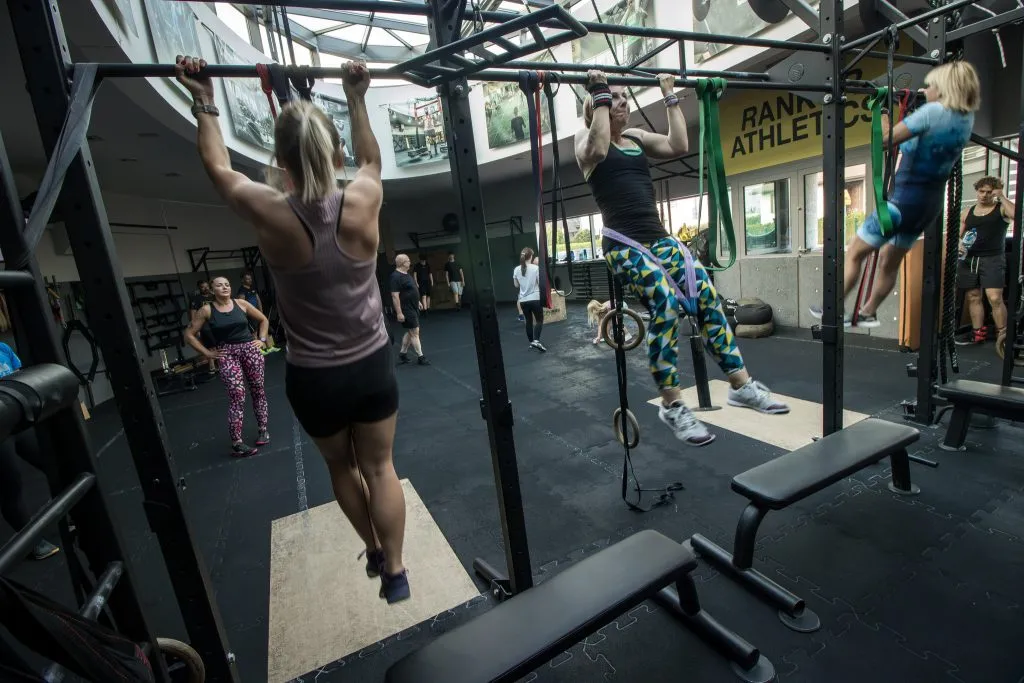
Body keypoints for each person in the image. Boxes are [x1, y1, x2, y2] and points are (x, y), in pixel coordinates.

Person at [175, 56, 410, 603]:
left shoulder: (269, 210)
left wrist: (205, 99)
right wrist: (356, 95)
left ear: (280, 160)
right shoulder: (364, 198)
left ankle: (373, 551)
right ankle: (395, 571)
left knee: (342, 467)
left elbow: (219, 169)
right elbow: (372, 159)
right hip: (371, 365)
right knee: (380, 466)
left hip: (313, 378)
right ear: (338, 154)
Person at [576, 70, 789, 446]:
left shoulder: (637, 138)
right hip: (623, 244)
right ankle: (672, 404)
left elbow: (678, 144)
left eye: (625, 97)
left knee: (707, 296)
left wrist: (669, 93)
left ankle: (740, 384)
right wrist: (599, 92)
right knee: (665, 301)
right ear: (596, 107)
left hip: (659, 240)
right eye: (615, 98)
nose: (623, 102)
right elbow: (594, 150)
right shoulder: (588, 139)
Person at [810, 61, 981, 327]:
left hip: (902, 203)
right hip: (927, 208)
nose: (927, 89)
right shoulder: (965, 119)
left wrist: (884, 109)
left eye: (932, 85)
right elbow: (924, 136)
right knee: (890, 263)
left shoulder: (934, 112)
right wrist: (913, 104)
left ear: (946, 88)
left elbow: (885, 139)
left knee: (855, 252)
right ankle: (869, 312)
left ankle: (830, 309)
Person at [184, 276, 271, 457]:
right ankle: (237, 442)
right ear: (212, 290)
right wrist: (207, 354)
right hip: (227, 354)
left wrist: (262, 340)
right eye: (219, 285)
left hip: (250, 350)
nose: (224, 287)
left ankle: (263, 429)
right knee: (237, 395)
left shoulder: (241, 304)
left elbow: (264, 320)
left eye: (227, 284)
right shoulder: (207, 310)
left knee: (258, 390)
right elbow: (189, 334)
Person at [0, 342, 60, 562]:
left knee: (50, 463)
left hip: (18, 422)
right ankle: (31, 543)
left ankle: (66, 515)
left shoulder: (3, 348)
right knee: (11, 484)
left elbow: (20, 377)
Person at [956, 176, 1014, 346]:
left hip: (993, 259)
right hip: (969, 259)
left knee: (995, 298)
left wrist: (1002, 196)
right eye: (982, 191)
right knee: (973, 296)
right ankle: (977, 334)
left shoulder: (1001, 209)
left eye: (989, 192)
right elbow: (958, 235)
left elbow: (1016, 214)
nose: (984, 195)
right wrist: (958, 244)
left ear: (994, 193)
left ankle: (1003, 336)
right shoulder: (968, 211)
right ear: (977, 191)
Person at [390, 254, 429, 366]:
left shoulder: (407, 274)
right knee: (414, 332)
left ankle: (402, 354)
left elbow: (412, 290)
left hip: (413, 307)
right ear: (402, 263)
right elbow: (394, 296)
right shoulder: (395, 277)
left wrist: (418, 302)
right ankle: (421, 357)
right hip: (406, 309)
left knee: (411, 331)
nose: (410, 263)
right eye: (408, 261)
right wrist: (399, 313)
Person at [513, 247, 546, 352]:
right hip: (535, 298)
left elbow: (516, 285)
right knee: (539, 320)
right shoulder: (535, 268)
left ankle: (532, 343)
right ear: (531, 256)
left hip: (523, 300)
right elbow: (540, 283)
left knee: (528, 321)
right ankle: (536, 340)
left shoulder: (516, 269)